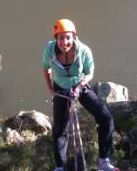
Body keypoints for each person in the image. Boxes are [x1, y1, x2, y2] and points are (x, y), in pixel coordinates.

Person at [42, 19, 118, 171]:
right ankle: (59, 167)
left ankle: (104, 161)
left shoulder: (83, 50)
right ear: (56, 38)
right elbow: (46, 68)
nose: (65, 42)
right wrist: (50, 89)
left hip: (80, 85)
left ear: (73, 37)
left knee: (106, 118)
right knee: (60, 129)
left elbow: (89, 73)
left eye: (68, 37)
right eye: (61, 38)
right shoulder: (49, 50)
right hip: (61, 88)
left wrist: (79, 87)